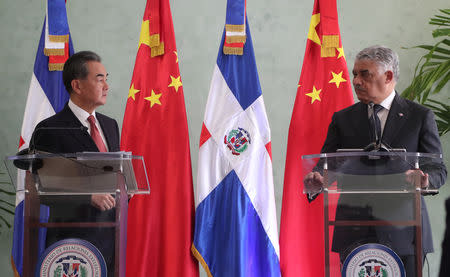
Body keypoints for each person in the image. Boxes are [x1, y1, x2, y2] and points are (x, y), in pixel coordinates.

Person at [303, 45, 447, 276]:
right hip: (353, 229)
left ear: (388, 76)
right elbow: (326, 163)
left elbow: (438, 169)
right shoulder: (343, 119)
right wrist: (316, 178)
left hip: (405, 230)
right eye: (354, 74)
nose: (356, 81)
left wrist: (425, 181)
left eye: (364, 74)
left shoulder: (419, 116)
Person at [30, 51, 120, 274]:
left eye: (106, 78)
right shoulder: (49, 129)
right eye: (100, 79)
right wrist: (88, 197)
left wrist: (125, 188)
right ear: (77, 86)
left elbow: (114, 174)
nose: (107, 86)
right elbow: (42, 189)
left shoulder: (110, 125)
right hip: (70, 246)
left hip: (111, 238)